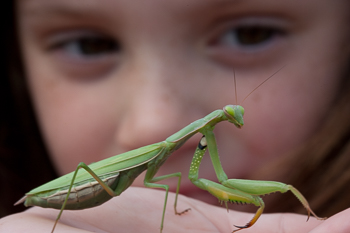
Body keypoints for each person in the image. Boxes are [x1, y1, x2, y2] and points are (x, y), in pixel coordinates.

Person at [1, 0, 350, 232]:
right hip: (82, 185)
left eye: (249, 35)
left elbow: (183, 184)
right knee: (85, 169)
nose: (154, 121)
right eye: (90, 44)